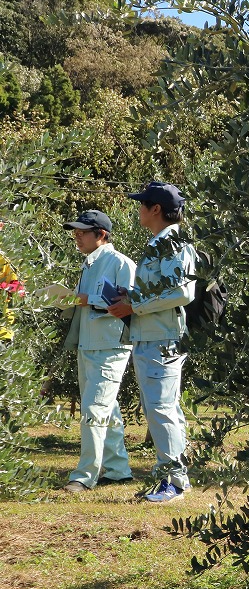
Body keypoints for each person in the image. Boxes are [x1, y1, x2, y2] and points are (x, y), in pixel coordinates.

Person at [107, 182, 197, 503]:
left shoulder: (171, 243)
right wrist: (130, 297)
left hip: (161, 339)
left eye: (142, 204)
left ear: (155, 209)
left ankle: (171, 482)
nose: (139, 209)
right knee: (163, 407)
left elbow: (184, 292)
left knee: (160, 408)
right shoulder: (161, 242)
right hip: (153, 337)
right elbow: (163, 290)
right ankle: (177, 478)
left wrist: (135, 305)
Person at [60, 210, 137, 493]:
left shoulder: (121, 262)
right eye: (75, 232)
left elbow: (129, 302)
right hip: (88, 344)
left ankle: (84, 476)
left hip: (112, 345)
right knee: (107, 408)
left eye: (82, 232)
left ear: (101, 235)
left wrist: (85, 299)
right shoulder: (88, 265)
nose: (77, 237)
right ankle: (119, 471)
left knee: (94, 409)